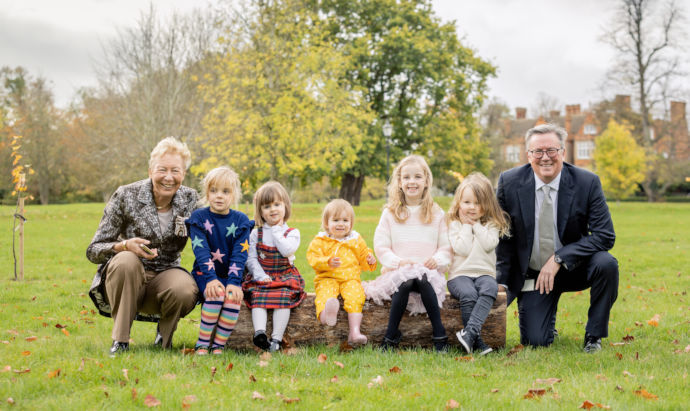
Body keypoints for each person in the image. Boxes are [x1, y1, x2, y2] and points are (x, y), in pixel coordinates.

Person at [496, 123, 618, 353]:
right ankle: (546, 323)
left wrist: (560, 258)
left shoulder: (587, 182)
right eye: (538, 152)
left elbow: (605, 236)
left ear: (563, 152)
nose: (545, 158)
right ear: (528, 155)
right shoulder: (508, 182)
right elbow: (502, 238)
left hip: (575, 267)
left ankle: (594, 335)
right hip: (533, 274)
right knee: (536, 341)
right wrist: (501, 283)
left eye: (551, 150)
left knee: (607, 264)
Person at [87, 137, 199, 356]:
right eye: (162, 170)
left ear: (183, 174)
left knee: (185, 288)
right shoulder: (126, 195)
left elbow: (212, 232)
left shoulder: (190, 199)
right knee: (127, 261)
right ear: (150, 171)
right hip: (125, 279)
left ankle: (164, 338)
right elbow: (94, 249)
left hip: (165, 276)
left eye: (175, 171)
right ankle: (120, 341)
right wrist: (124, 245)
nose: (168, 177)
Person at [364, 155, 451, 352]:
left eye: (418, 177)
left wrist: (437, 260)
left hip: (428, 274)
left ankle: (439, 333)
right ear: (400, 182)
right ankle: (391, 335)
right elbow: (381, 245)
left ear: (427, 181)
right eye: (407, 177)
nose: (412, 182)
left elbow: (446, 246)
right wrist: (397, 262)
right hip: (399, 271)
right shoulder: (390, 213)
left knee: (420, 279)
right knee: (406, 282)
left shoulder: (436, 213)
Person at [186, 167, 252, 355]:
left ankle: (218, 345)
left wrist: (234, 282)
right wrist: (211, 279)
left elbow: (239, 255)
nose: (219, 196)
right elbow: (201, 252)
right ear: (207, 193)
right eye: (213, 190)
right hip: (205, 274)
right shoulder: (199, 218)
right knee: (215, 294)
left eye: (225, 191)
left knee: (232, 298)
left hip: (230, 275)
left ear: (234, 194)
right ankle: (202, 343)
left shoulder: (241, 221)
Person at [446, 172, 510, 356]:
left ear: (487, 205)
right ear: (459, 203)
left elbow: (489, 244)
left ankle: (469, 333)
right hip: (460, 275)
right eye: (467, 202)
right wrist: (466, 226)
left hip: (484, 274)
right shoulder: (455, 224)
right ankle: (477, 341)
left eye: (477, 203)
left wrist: (475, 225)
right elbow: (462, 249)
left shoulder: (491, 224)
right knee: (468, 294)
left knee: (490, 288)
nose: (472, 207)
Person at [243, 181, 305, 352]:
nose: (273, 209)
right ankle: (260, 334)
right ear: (260, 211)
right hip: (264, 275)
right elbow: (251, 257)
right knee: (257, 297)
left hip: (284, 275)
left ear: (285, 205)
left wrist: (277, 230)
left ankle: (276, 339)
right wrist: (259, 275)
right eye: (267, 206)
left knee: (283, 298)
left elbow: (286, 250)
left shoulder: (292, 232)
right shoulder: (257, 233)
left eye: (277, 204)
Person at [307, 199, 377, 346]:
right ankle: (326, 315)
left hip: (350, 279)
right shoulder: (321, 240)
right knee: (325, 295)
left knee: (356, 297)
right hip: (327, 277)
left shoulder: (355, 240)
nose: (341, 224)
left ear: (351, 223)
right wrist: (327, 262)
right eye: (336, 220)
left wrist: (369, 259)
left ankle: (355, 332)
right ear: (327, 223)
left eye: (345, 220)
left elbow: (364, 255)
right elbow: (312, 258)